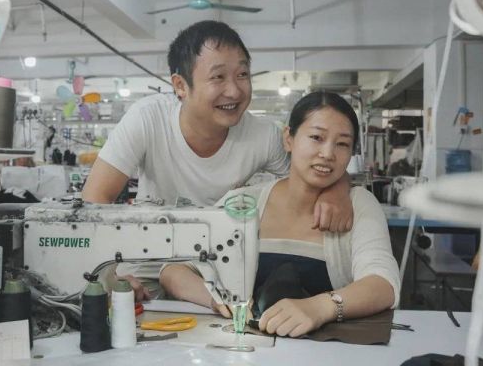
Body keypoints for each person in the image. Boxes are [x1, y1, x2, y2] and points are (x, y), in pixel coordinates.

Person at [160, 92, 400, 337]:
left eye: (342, 144)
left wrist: (321, 307)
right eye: (316, 137)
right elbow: (174, 270)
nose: (328, 153)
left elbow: (384, 284)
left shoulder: (359, 205)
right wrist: (215, 297)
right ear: (288, 139)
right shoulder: (242, 203)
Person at [82, 21, 352, 229]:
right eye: (218, 77)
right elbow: (95, 199)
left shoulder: (263, 136)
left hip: (224, 265)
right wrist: (111, 274)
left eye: (242, 74)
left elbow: (317, 171)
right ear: (180, 86)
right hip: (147, 262)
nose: (234, 91)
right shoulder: (148, 119)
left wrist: (336, 194)